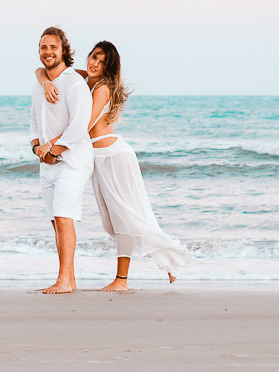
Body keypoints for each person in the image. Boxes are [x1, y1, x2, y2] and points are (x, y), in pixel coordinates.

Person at [35, 41, 190, 292]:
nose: (95, 63)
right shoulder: (84, 79)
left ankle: (134, 274)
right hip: (96, 158)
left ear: (109, 68)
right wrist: (46, 82)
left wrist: (51, 146)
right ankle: (153, 264)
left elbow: (83, 124)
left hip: (114, 156)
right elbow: (42, 70)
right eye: (94, 57)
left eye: (102, 61)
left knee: (127, 214)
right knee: (115, 220)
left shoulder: (103, 87)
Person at [28, 27, 94, 294]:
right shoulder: (39, 85)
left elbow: (78, 127)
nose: (48, 52)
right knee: (56, 222)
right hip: (47, 162)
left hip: (73, 160)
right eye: (44, 47)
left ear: (64, 50)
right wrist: (37, 149)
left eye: (53, 47)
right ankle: (70, 279)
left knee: (63, 217)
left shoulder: (75, 84)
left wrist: (53, 151)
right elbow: (34, 124)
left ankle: (63, 280)